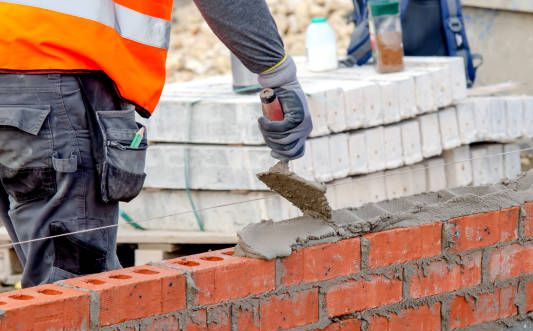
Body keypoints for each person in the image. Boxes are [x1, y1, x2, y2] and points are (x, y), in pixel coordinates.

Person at [0, 0, 313, 288]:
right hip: (54, 75)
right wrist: (277, 72)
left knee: (44, 289)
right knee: (75, 295)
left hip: (26, 73)